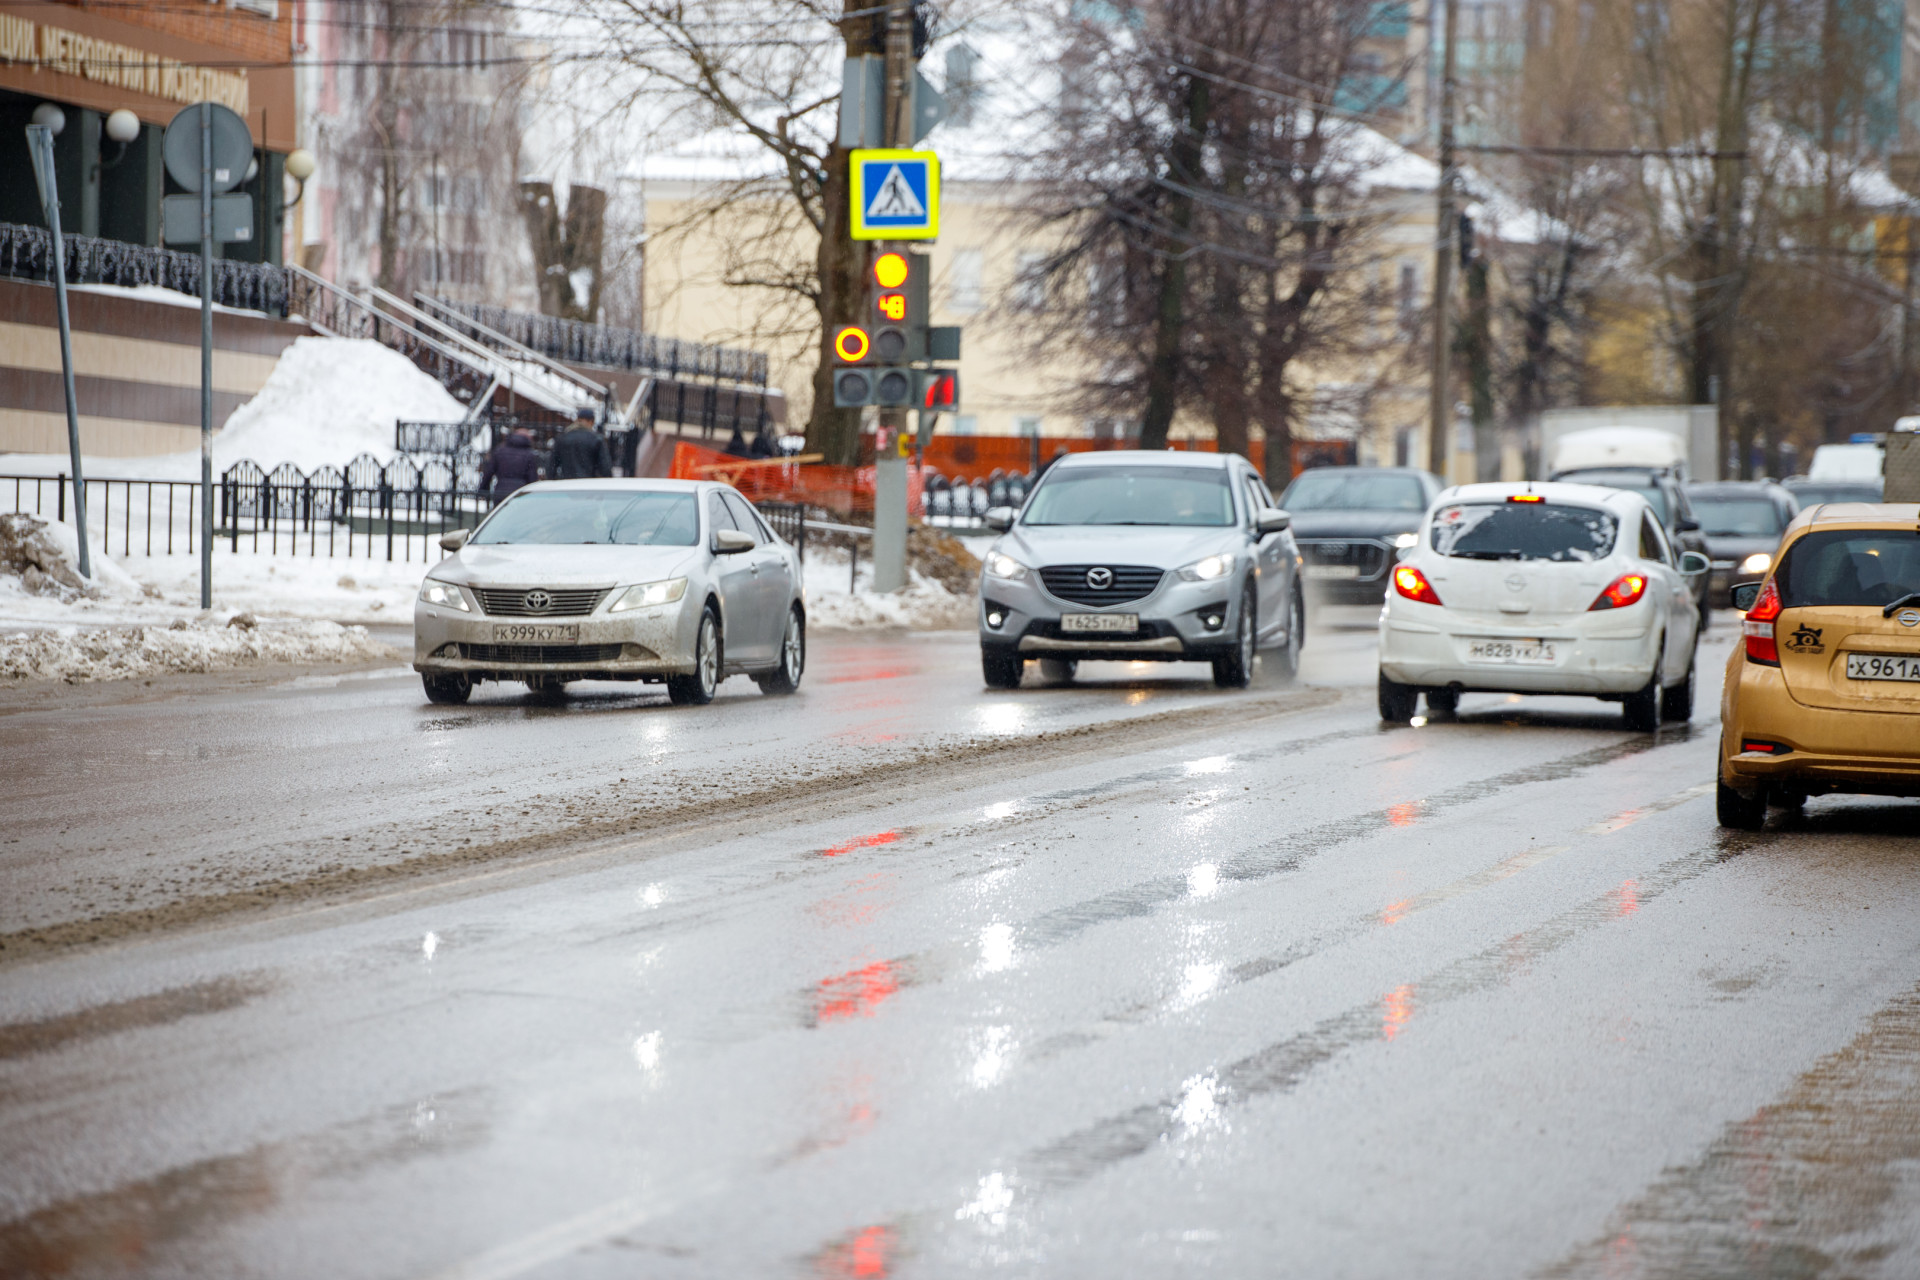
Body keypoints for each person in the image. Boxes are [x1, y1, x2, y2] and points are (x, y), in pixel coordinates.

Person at [480, 429, 543, 503]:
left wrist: (483, 489)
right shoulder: (529, 455)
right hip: (520, 492)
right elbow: (532, 477)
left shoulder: (500, 451)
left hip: (501, 491)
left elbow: (488, 472)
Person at [551, 410, 614, 479]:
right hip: (588, 485)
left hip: (567, 484)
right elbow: (605, 468)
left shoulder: (562, 438)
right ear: (591, 421)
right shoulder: (596, 439)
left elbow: (551, 466)